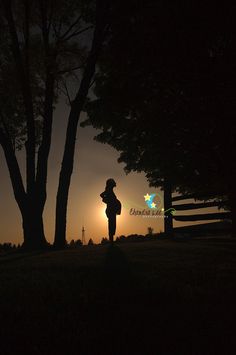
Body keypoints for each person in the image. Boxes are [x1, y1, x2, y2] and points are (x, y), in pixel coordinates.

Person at [100, 178, 121, 243]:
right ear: (111, 184)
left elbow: (103, 196)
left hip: (112, 210)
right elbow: (101, 195)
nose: (115, 183)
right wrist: (106, 200)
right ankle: (111, 241)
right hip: (110, 210)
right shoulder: (108, 190)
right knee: (112, 224)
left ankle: (111, 240)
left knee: (112, 224)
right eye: (113, 182)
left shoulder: (110, 190)